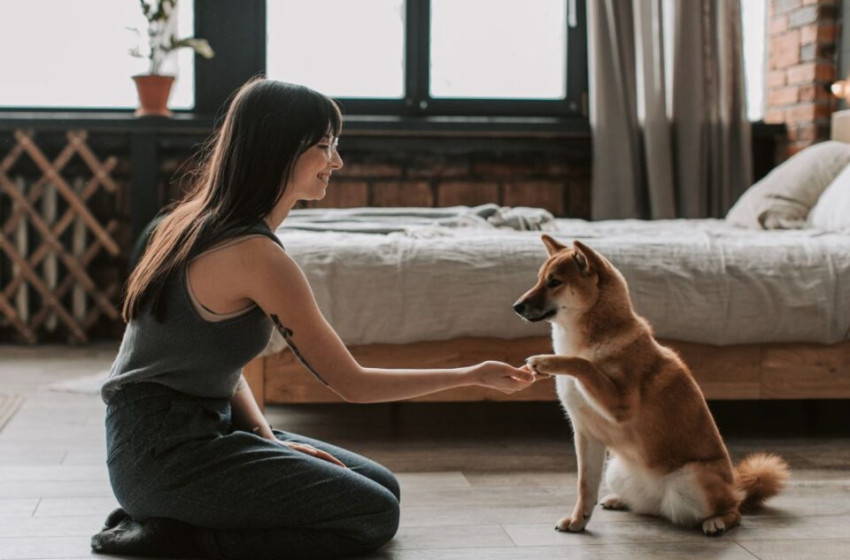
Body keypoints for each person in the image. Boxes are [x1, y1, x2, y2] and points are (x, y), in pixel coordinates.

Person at [91, 78, 543, 560]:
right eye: (324, 146)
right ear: (280, 151)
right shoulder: (254, 254)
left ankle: (185, 514)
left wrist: (266, 439)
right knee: (372, 514)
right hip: (164, 455)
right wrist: (470, 374)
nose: (337, 162)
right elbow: (353, 384)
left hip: (193, 430)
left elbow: (213, 361)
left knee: (380, 485)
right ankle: (179, 534)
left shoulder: (200, 220)